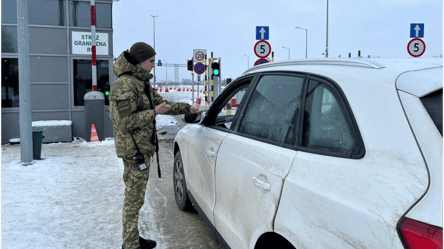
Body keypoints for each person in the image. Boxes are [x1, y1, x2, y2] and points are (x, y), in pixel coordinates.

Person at [109, 42, 200, 249]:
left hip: (141, 148)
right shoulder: (125, 85)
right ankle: (130, 245)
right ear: (140, 61)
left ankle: (132, 238)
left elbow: (163, 105)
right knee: (133, 200)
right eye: (150, 61)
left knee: (135, 198)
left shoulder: (141, 83)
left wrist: (189, 108)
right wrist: (154, 113)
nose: (153, 65)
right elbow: (124, 121)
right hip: (134, 151)